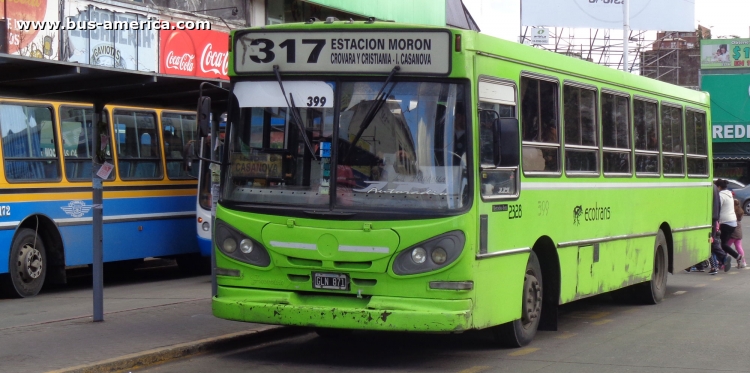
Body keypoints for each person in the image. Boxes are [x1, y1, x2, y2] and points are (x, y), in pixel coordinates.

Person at [716, 179, 743, 272]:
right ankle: (723, 262)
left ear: (719, 187)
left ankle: (737, 257)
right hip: (733, 222)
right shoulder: (729, 194)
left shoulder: (721, 195)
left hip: (726, 222)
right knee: (724, 243)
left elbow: (717, 208)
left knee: (723, 244)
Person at [727, 198, 747, 269]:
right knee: (739, 247)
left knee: (726, 247)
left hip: (733, 234)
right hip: (739, 233)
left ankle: (723, 262)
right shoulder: (740, 211)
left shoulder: (733, 212)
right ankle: (743, 262)